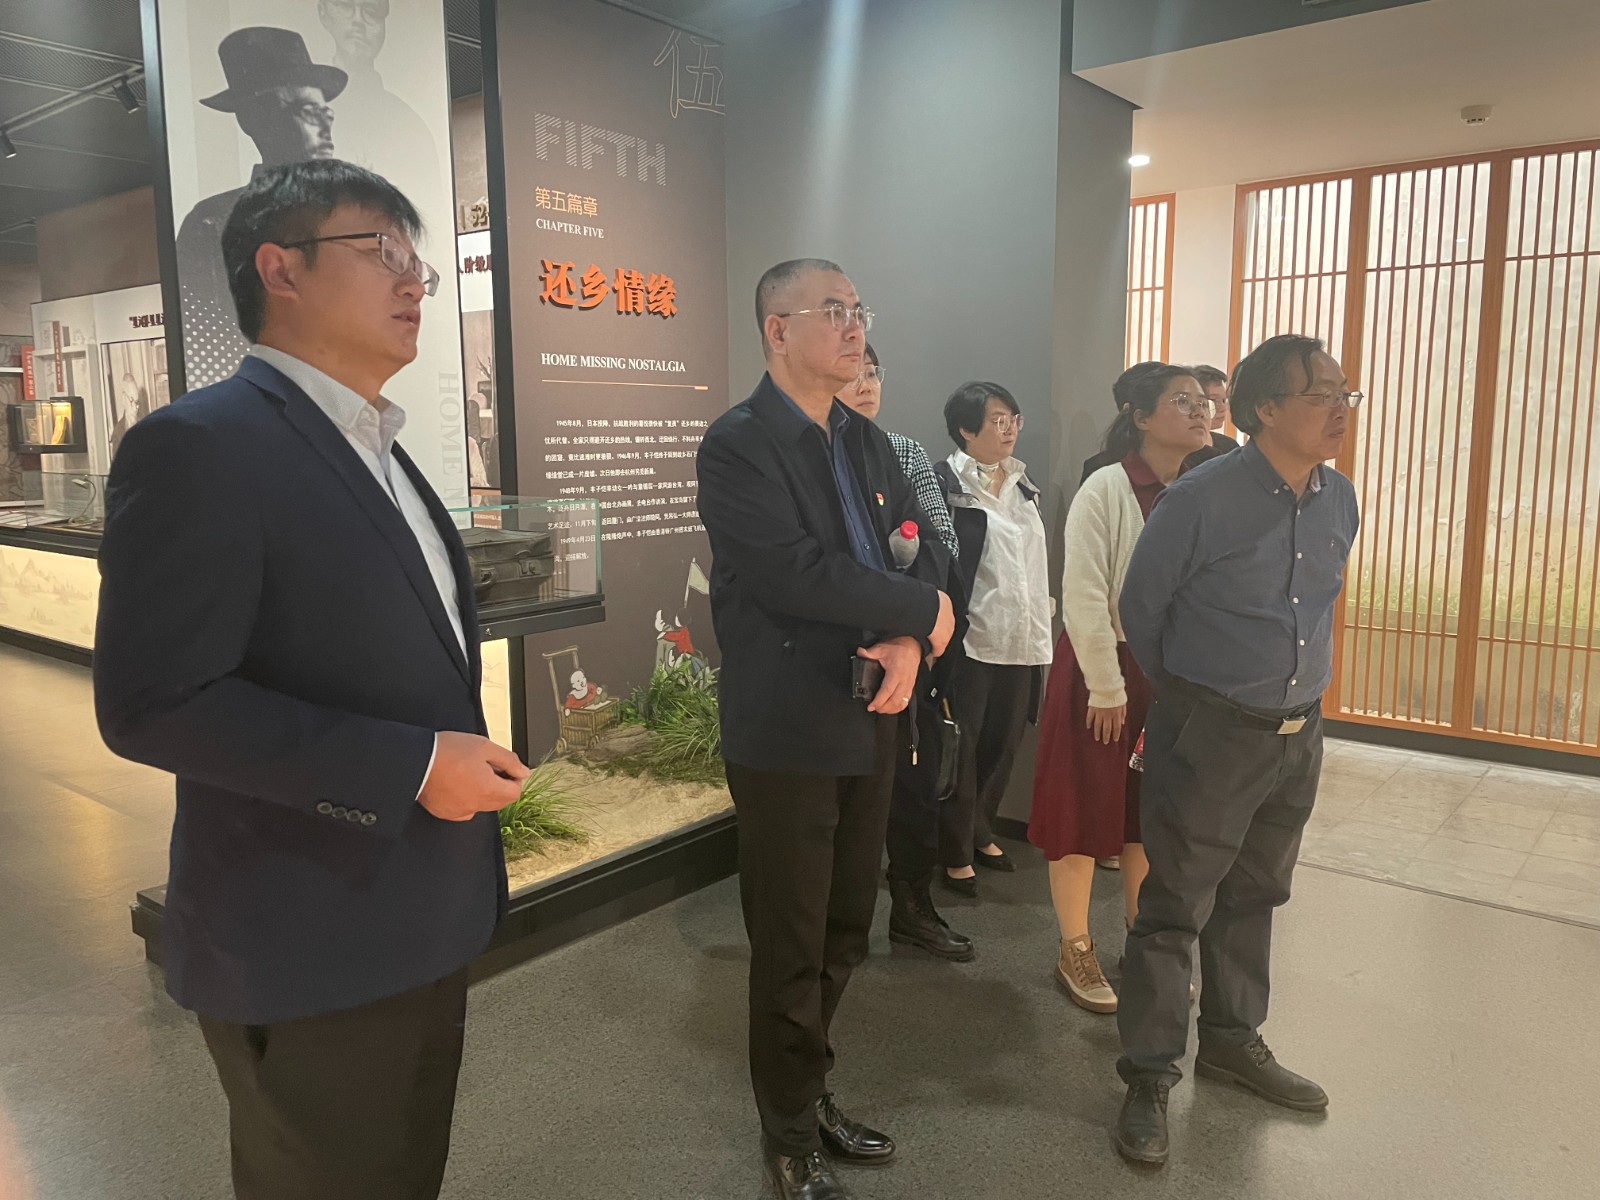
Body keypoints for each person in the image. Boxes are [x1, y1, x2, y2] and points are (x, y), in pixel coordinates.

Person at [94, 160, 523, 1199]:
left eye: (415, 258)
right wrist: (409, 766)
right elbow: (155, 703)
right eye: (379, 250)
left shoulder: (379, 446)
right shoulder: (199, 446)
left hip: (413, 914)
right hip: (303, 936)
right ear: (278, 269)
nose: (413, 279)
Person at [697, 258, 956, 1200]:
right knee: (791, 937)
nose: (855, 329)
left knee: (848, 925)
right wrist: (923, 610)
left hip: (873, 715)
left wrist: (909, 637)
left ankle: (808, 1094)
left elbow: (915, 550)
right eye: (834, 311)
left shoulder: (868, 441)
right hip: (789, 730)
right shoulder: (739, 445)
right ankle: (789, 1131)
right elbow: (792, 571)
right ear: (778, 330)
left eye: (859, 311)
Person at [1111, 334, 1361, 1166]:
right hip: (1211, 730)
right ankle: (1149, 1073)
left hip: (1298, 732)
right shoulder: (1200, 498)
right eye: (1322, 394)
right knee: (1175, 905)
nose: (1341, 409)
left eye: (1345, 393)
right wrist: (1197, 699)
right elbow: (1142, 611)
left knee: (1257, 894)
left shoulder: (1339, 498)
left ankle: (1230, 1039)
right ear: (1265, 409)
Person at [1028, 363, 1211, 1013]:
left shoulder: (1201, 490)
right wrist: (1107, 687)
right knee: (1082, 811)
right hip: (1100, 669)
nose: (1200, 410)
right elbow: (1081, 591)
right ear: (1141, 417)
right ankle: (1074, 947)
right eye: (1182, 400)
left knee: (1149, 817)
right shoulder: (1106, 487)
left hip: (1169, 676)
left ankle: (1144, 941)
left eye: (1203, 400)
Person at [839, 343, 972, 962]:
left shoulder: (902, 452)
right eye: (854, 373)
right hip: (838, 652)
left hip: (911, 650)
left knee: (913, 785)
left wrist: (913, 629)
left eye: (873, 372)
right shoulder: (808, 455)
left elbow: (941, 545)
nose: (866, 383)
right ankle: (838, 930)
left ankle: (913, 909)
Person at [932, 383, 1054, 896]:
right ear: (966, 429)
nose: (1009, 430)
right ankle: (954, 850)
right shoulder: (944, 483)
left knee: (1005, 743)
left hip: (1023, 638)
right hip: (973, 640)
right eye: (998, 420)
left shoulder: (1023, 482)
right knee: (962, 745)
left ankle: (981, 829)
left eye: (1014, 419)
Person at [178, 27, 345, 388]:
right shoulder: (212, 223)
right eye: (307, 112)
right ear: (256, 120)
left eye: (325, 112)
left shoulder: (353, 215)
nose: (324, 125)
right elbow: (204, 338)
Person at [1182, 362, 1239, 470]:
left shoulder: (1230, 445)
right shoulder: (1179, 450)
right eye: (1213, 400)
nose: (1222, 408)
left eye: (1224, 400)